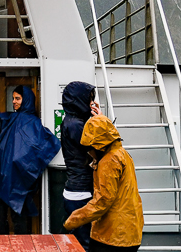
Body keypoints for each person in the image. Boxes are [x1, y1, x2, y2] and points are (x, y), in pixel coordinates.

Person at [0, 85, 60, 234]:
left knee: (16, 219)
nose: (14, 101)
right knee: (0, 216)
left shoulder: (33, 123)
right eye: (13, 98)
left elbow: (43, 145)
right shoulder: (9, 119)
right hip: (5, 178)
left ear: (26, 99)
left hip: (18, 179)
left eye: (17, 98)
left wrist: (22, 165)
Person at [63, 115, 144, 252]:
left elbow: (102, 202)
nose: (89, 152)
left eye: (90, 147)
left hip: (112, 236)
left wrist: (72, 221)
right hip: (130, 231)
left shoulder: (109, 161)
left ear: (98, 145)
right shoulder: (123, 154)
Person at [60, 81, 101, 250]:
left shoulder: (70, 121)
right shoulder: (77, 125)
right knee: (85, 244)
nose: (91, 103)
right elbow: (99, 149)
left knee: (75, 242)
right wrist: (100, 120)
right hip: (82, 192)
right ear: (79, 100)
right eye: (89, 99)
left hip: (74, 190)